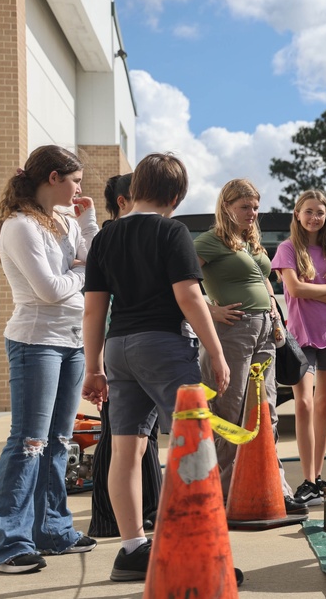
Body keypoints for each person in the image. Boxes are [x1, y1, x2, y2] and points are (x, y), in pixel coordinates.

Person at [81, 153, 231, 582]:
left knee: (127, 449)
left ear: (136, 188)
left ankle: (132, 549)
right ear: (177, 195)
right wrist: (216, 352)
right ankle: (196, 550)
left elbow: (94, 311)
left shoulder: (105, 237)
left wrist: (93, 367)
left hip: (118, 348)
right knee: (194, 444)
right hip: (163, 345)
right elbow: (189, 296)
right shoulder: (172, 231)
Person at [0, 146, 99, 574]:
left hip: (71, 340)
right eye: (75, 181)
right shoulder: (19, 227)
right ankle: (6, 545)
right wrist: (82, 270)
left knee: (58, 442)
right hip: (36, 342)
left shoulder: (65, 222)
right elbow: (50, 291)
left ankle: (52, 530)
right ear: (53, 178)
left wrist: (87, 225)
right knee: (29, 442)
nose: (79, 189)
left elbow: (95, 260)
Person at [194, 179, 304, 515]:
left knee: (266, 411)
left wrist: (272, 302)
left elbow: (264, 280)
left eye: (255, 207)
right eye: (245, 207)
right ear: (226, 206)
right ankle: (226, 495)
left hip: (265, 332)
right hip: (232, 331)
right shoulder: (209, 242)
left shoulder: (251, 243)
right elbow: (178, 282)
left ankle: (276, 488)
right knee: (231, 411)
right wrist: (210, 309)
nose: (252, 213)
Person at [88, 173, 163, 538]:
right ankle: (110, 518)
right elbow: (96, 308)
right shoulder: (108, 239)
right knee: (117, 437)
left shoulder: (140, 237)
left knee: (142, 439)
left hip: (118, 345)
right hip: (113, 346)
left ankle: (147, 510)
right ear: (123, 201)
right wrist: (95, 362)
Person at [271, 190, 326, 506]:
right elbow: (293, 288)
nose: (314, 217)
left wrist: (317, 292)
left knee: (323, 406)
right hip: (300, 338)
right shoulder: (288, 249)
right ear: (297, 214)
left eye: (320, 212)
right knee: (303, 404)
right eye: (308, 211)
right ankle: (306, 479)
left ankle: (317, 479)